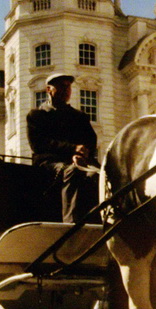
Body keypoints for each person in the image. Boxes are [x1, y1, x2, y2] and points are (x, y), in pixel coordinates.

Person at [26, 72, 100, 223]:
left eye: (68, 86)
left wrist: (82, 154)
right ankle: (71, 223)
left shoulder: (79, 116)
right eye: (61, 86)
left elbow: (90, 140)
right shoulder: (37, 115)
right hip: (49, 162)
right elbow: (39, 144)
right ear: (49, 90)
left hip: (79, 160)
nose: (66, 90)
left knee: (98, 174)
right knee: (73, 171)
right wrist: (72, 150)